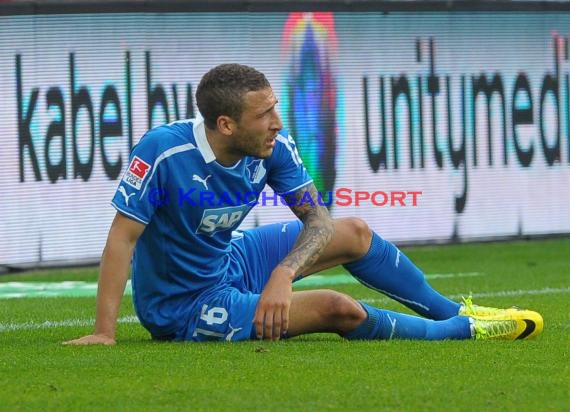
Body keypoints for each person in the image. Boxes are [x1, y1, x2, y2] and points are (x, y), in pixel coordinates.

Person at [64, 64, 543, 345]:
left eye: (275, 107)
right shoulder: (163, 152)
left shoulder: (273, 145)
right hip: (186, 306)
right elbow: (122, 238)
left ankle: (453, 311)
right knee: (339, 308)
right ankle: (463, 334)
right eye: (264, 113)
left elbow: (317, 219)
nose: (277, 121)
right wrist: (105, 333)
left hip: (233, 260)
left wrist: (284, 273)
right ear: (226, 125)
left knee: (352, 232)